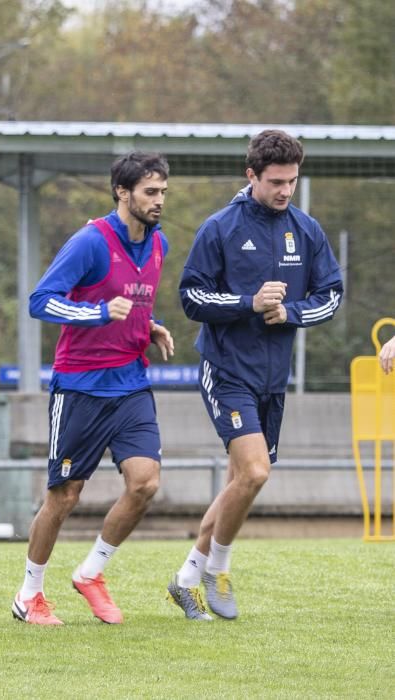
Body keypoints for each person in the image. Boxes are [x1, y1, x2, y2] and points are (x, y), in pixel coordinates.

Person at [166, 129, 343, 621]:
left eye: (292, 180)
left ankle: (184, 580)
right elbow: (192, 297)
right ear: (251, 176)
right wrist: (249, 303)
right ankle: (218, 571)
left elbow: (330, 294)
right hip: (226, 370)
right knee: (256, 473)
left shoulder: (306, 231)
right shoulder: (220, 227)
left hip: (272, 378)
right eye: (275, 181)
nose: (285, 190)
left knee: (239, 483)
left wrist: (290, 313)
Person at [12, 151, 173, 626]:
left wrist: (150, 327)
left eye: (163, 191)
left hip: (131, 383)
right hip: (80, 387)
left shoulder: (158, 242)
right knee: (65, 496)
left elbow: (131, 304)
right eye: (150, 192)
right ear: (122, 193)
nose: (159, 200)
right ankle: (29, 595)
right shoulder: (89, 241)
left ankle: (91, 572)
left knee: (145, 483)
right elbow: (41, 302)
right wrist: (99, 314)